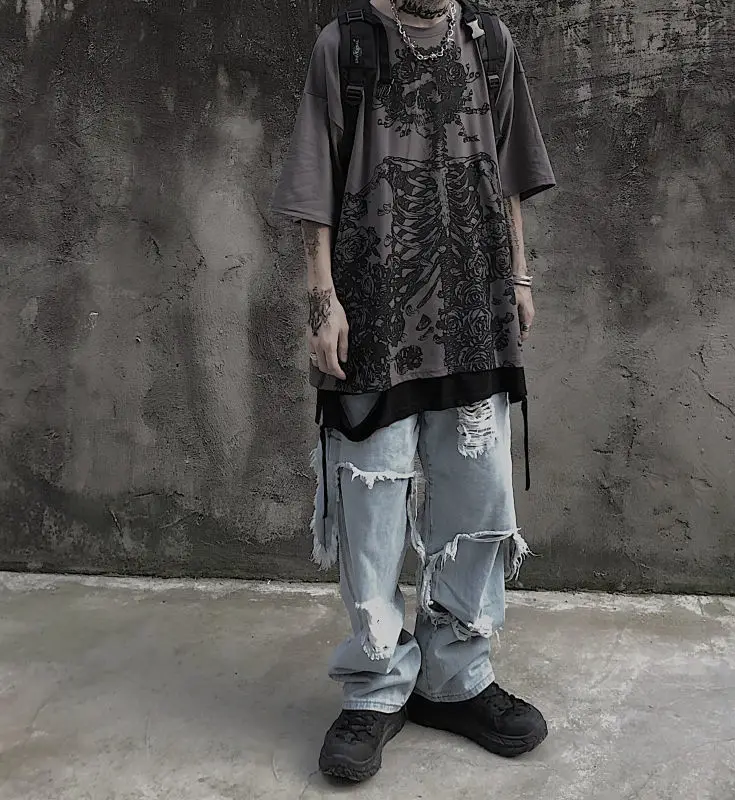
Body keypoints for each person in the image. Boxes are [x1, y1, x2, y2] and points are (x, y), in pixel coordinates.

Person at [271, 0, 555, 782]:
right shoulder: (346, 46)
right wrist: (322, 301)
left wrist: (519, 275)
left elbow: (510, 169)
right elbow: (313, 186)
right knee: (369, 503)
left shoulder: (488, 41)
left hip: (473, 304)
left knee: (477, 497)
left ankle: (455, 678)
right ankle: (375, 684)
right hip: (373, 314)